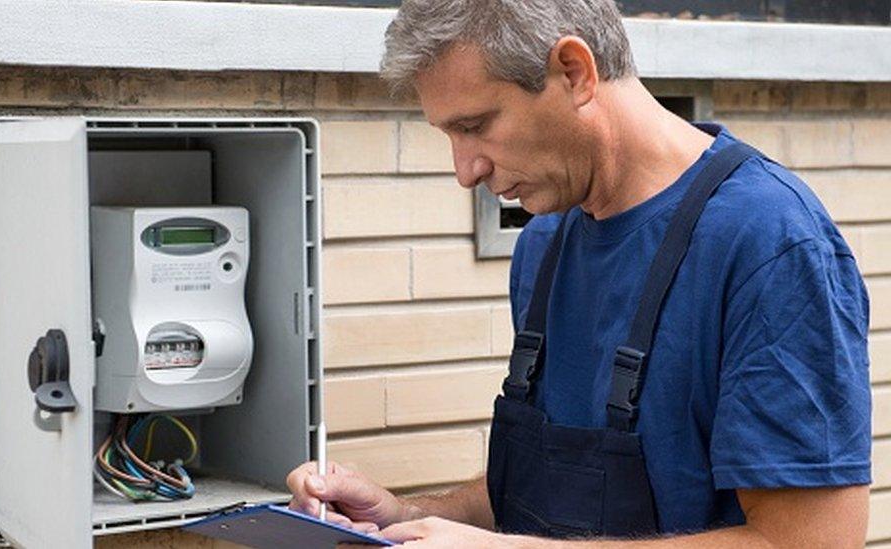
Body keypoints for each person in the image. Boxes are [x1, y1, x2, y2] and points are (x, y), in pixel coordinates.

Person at [288, 1, 872, 546]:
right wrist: (408, 517)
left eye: (475, 126)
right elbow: (557, 497)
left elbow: (807, 540)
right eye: (449, 135)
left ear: (574, 71)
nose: (466, 171)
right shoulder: (543, 245)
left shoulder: (769, 242)